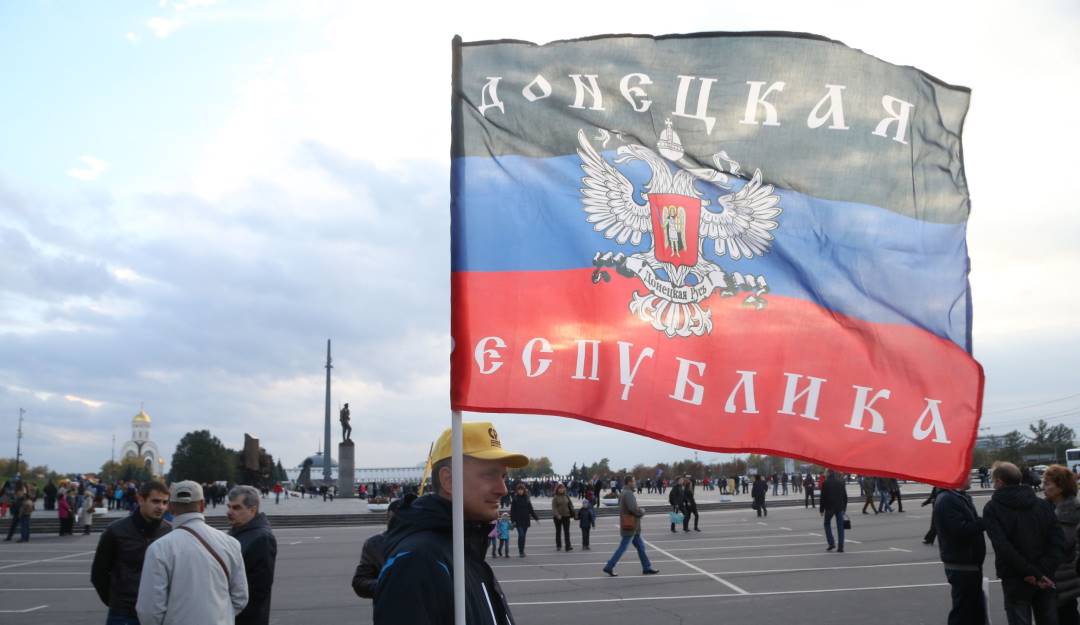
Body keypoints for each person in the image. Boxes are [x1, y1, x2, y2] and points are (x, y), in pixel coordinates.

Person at [373, 421, 528, 625]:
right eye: (490, 475)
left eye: (503, 476)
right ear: (449, 480)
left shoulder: (463, 548)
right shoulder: (418, 563)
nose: (503, 489)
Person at [135, 481, 248, 625]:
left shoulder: (159, 548)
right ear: (202, 505)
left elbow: (149, 610)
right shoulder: (231, 543)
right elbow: (240, 597)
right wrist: (220, 616)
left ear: (171, 507)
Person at [983, 461, 1065, 625]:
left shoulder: (992, 508)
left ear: (999, 482)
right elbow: (1057, 541)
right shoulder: (1042, 504)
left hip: (1016, 577)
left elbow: (1003, 547)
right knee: (1049, 618)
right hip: (1045, 576)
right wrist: (1042, 572)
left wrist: (1030, 573)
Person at [92, 481, 172, 625]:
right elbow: (99, 573)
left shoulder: (170, 532)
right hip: (124, 614)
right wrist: (116, 602)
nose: (161, 507)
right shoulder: (115, 531)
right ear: (141, 499)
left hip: (161, 613)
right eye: (155, 501)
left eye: (165, 502)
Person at [934, 469, 987, 625]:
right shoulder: (947, 499)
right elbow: (960, 530)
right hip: (961, 564)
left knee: (973, 609)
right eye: (969, 474)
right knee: (963, 612)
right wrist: (985, 521)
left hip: (968, 563)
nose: (972, 477)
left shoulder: (960, 497)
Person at [227, 485, 277, 625]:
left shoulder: (262, 538)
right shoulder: (238, 530)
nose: (229, 512)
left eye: (236, 508)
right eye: (229, 506)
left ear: (252, 510)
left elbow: (259, 591)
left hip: (246, 618)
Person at [352, 495, 416, 599]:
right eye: (404, 513)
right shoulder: (375, 543)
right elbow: (360, 582)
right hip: (391, 609)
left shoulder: (428, 540)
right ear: (390, 517)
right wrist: (388, 585)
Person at [1042, 465, 1080, 625]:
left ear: (1061, 486)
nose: (1043, 487)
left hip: (1064, 577)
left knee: (1066, 615)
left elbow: (1064, 544)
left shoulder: (1070, 511)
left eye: (1047, 483)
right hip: (1053, 576)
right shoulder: (1048, 508)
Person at [602, 476, 659, 577]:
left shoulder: (624, 492)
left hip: (632, 527)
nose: (635, 483)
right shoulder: (628, 493)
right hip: (630, 526)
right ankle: (609, 566)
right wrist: (641, 512)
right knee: (622, 547)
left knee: (641, 547)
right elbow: (633, 509)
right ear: (629, 482)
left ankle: (646, 567)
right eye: (633, 481)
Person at [820, 469, 848, 552]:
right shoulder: (841, 482)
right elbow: (845, 497)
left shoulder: (825, 483)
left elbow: (823, 498)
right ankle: (841, 546)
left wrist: (822, 509)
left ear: (828, 473)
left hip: (829, 507)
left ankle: (831, 543)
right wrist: (844, 508)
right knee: (840, 527)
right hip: (839, 508)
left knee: (827, 524)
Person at [509, 482, 539, 557]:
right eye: (519, 490)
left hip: (525, 520)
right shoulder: (515, 499)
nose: (520, 491)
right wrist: (513, 521)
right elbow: (512, 511)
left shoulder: (527, 498)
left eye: (521, 490)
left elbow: (530, 509)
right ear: (517, 490)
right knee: (521, 535)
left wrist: (536, 518)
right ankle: (520, 551)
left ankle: (522, 550)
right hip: (518, 520)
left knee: (523, 536)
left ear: (524, 490)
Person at [551, 483, 575, 551]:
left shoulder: (566, 496)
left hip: (566, 516)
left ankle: (568, 546)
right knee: (558, 531)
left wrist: (573, 512)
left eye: (562, 488)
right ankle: (558, 545)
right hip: (558, 517)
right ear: (557, 489)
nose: (561, 489)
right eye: (560, 488)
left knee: (567, 532)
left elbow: (570, 505)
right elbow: (554, 508)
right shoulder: (555, 497)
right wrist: (557, 515)